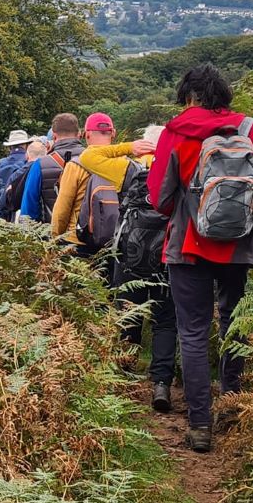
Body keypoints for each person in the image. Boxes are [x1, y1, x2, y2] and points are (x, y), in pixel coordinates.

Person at [147, 64, 253, 453]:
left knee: (192, 331)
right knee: (233, 324)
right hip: (240, 246)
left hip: (188, 246)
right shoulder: (250, 130)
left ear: (188, 96)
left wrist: (192, 210)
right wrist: (243, 219)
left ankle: (201, 425)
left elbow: (159, 198)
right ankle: (233, 407)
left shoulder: (176, 132)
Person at [82, 125, 173, 412]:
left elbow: (88, 157)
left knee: (127, 313)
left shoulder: (129, 169)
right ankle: (161, 384)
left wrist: (127, 147)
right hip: (167, 257)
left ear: (145, 144)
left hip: (129, 256)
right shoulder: (177, 169)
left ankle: (124, 377)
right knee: (165, 321)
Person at [48, 113, 117, 257]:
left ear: (86, 135)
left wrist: (55, 238)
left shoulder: (76, 165)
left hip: (77, 241)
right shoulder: (126, 164)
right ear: (113, 134)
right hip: (114, 243)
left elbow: (62, 209)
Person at [18, 113, 87, 223]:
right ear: (79, 134)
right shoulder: (93, 161)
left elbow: (29, 209)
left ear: (54, 136)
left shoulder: (40, 165)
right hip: (88, 234)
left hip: (52, 234)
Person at [0, 129, 35, 224]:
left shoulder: (0, 164)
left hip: (3, 219)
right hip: (26, 219)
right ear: (26, 146)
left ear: (10, 147)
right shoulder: (31, 163)